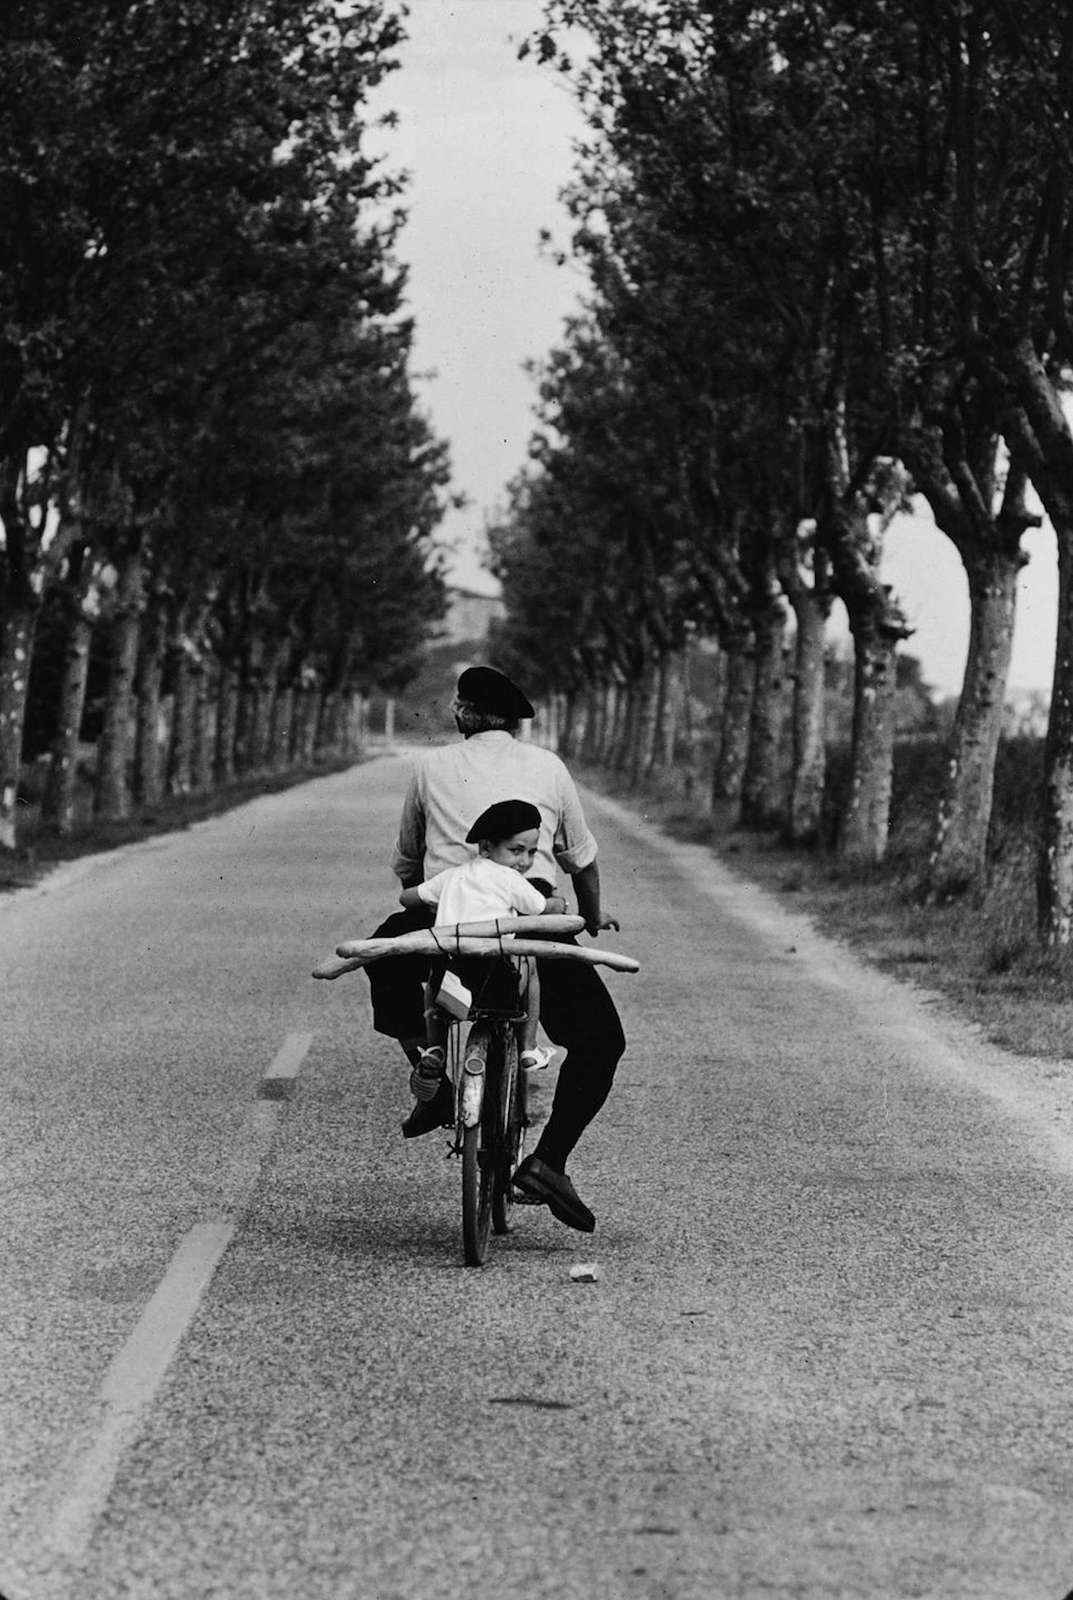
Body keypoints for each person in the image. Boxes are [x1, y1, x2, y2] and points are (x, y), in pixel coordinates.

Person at [366, 663, 625, 1234]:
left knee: (384, 960)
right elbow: (580, 856)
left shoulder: (430, 766)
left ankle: (433, 1075)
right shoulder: (548, 766)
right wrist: (589, 913)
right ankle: (549, 1163)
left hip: (447, 922)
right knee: (601, 1041)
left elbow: (407, 859)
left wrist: (432, 894)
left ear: (462, 713)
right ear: (514, 722)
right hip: (529, 925)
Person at [398, 797, 561, 1111]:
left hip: (453, 974)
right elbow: (541, 909)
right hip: (496, 972)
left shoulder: (452, 876)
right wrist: (560, 904)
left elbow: (407, 898)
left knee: (435, 979)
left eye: (531, 852)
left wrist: (434, 900)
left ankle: (435, 1049)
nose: (525, 861)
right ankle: (528, 1046)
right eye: (517, 850)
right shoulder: (511, 880)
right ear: (486, 847)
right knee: (530, 963)